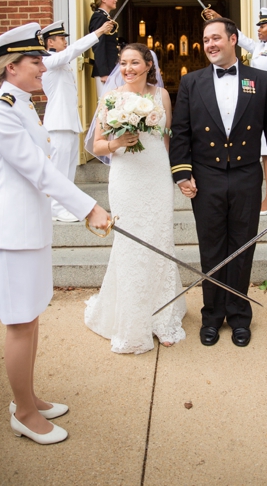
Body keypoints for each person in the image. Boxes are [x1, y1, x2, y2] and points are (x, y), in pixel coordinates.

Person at [0, 23, 111, 445]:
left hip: (28, 230)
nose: (42, 67)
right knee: (19, 323)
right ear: (11, 67)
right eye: (36, 61)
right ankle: (25, 414)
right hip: (10, 234)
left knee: (30, 318)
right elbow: (38, 170)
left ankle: (27, 397)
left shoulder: (21, 104)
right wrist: (89, 207)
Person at [169, 16, 267, 348]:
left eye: (216, 38)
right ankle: (211, 316)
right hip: (206, 178)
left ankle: (238, 316)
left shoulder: (260, 80)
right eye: (206, 39)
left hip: (245, 176)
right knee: (211, 248)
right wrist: (182, 173)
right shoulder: (192, 82)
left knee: (241, 247)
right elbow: (180, 133)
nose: (210, 44)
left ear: (233, 39)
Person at [84, 44, 186, 353]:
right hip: (126, 177)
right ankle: (132, 321)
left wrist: (174, 174)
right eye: (123, 63)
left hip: (155, 174)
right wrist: (117, 143)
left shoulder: (161, 96)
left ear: (147, 65)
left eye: (134, 62)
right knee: (130, 243)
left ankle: (164, 316)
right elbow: (95, 146)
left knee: (160, 238)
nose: (128, 68)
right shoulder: (111, 98)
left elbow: (167, 137)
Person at [211, 8, 267, 213]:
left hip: (265, 108)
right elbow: (243, 40)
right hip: (254, 107)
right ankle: (266, 196)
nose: (259, 30)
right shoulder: (262, 47)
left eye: (262, 26)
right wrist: (222, 21)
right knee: (262, 153)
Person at [41, 18, 115, 222]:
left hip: (69, 123)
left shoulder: (59, 62)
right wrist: (98, 33)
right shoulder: (47, 60)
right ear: (50, 42)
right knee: (59, 169)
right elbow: (72, 51)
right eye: (60, 38)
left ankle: (64, 206)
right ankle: (55, 208)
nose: (65, 41)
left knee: (69, 169)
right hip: (57, 124)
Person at [88, 0, 122, 100]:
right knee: (106, 106)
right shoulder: (99, 17)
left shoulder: (105, 17)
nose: (115, 0)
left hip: (111, 69)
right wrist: (104, 72)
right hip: (106, 72)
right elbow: (99, 45)